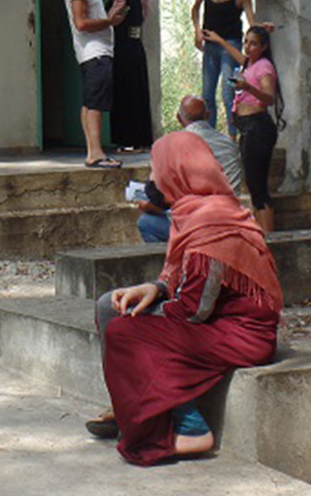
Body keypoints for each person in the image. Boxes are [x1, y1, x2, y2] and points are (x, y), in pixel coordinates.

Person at [93, 131, 282, 465]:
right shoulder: (193, 210)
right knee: (110, 305)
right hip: (216, 321)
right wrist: (156, 288)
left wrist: (147, 316)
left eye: (155, 170)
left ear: (176, 172)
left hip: (242, 334)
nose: (152, 180)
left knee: (125, 330)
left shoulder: (212, 222)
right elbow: (182, 280)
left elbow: (194, 310)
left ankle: (191, 429)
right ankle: (129, 409)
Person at [203, 26, 283, 233]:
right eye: (246, 42)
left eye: (253, 43)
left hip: (258, 126)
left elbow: (269, 98)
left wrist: (249, 88)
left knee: (258, 186)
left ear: (263, 47)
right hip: (246, 127)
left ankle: (268, 236)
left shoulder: (264, 67)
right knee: (253, 185)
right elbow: (237, 55)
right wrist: (219, 39)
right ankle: (260, 233)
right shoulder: (249, 63)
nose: (248, 47)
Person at [135, 95, 244, 243]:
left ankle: (175, 256)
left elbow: (161, 195)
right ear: (208, 115)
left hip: (197, 223)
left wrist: (152, 206)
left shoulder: (172, 146)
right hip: (230, 217)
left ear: (179, 118)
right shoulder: (229, 144)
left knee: (146, 223)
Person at [191, 0, 274, 138]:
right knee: (207, 92)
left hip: (230, 44)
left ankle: (232, 135)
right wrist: (197, 31)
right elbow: (195, 8)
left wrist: (263, 27)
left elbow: (252, 21)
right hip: (210, 42)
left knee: (228, 92)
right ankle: (209, 135)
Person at [65, 0, 127, 169]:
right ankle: (96, 153)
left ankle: (93, 150)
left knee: (90, 102)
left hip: (97, 52)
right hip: (94, 52)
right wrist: (109, 20)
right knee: (96, 104)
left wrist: (111, 17)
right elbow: (81, 23)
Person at [108, 0, 153, 152]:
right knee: (137, 92)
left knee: (125, 93)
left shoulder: (126, 0)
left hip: (123, 50)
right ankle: (140, 138)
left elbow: (110, 19)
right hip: (135, 49)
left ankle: (127, 138)